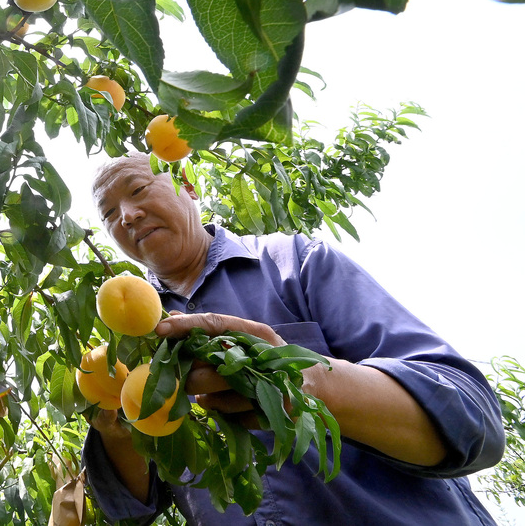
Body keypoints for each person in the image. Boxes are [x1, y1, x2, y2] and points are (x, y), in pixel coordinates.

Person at [83, 153, 505, 525]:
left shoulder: (293, 262)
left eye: (138, 189)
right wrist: (116, 427)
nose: (128, 215)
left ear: (188, 185)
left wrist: (302, 382)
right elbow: (130, 508)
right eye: (109, 214)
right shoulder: (133, 343)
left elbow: (471, 418)